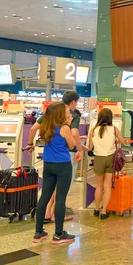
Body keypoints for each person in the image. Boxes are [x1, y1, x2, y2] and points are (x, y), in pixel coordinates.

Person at [28, 91, 86, 219]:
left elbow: (33, 129)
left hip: (49, 157)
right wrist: (79, 150)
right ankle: (55, 214)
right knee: (61, 187)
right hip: (65, 156)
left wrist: (30, 144)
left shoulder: (51, 112)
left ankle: (47, 212)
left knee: (49, 188)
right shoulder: (73, 115)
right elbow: (74, 134)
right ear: (73, 102)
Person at [33, 102, 81, 244]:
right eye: (67, 110)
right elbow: (72, 145)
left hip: (48, 165)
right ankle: (59, 234)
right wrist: (70, 124)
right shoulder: (65, 128)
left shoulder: (46, 126)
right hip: (62, 165)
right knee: (60, 198)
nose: (69, 112)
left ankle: (38, 232)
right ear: (61, 113)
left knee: (44, 197)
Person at [88, 108, 123, 220]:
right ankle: (104, 212)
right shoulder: (114, 129)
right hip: (110, 158)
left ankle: (97, 209)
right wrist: (114, 142)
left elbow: (90, 147)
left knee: (99, 185)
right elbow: (121, 140)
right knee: (107, 186)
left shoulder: (94, 129)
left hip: (98, 158)